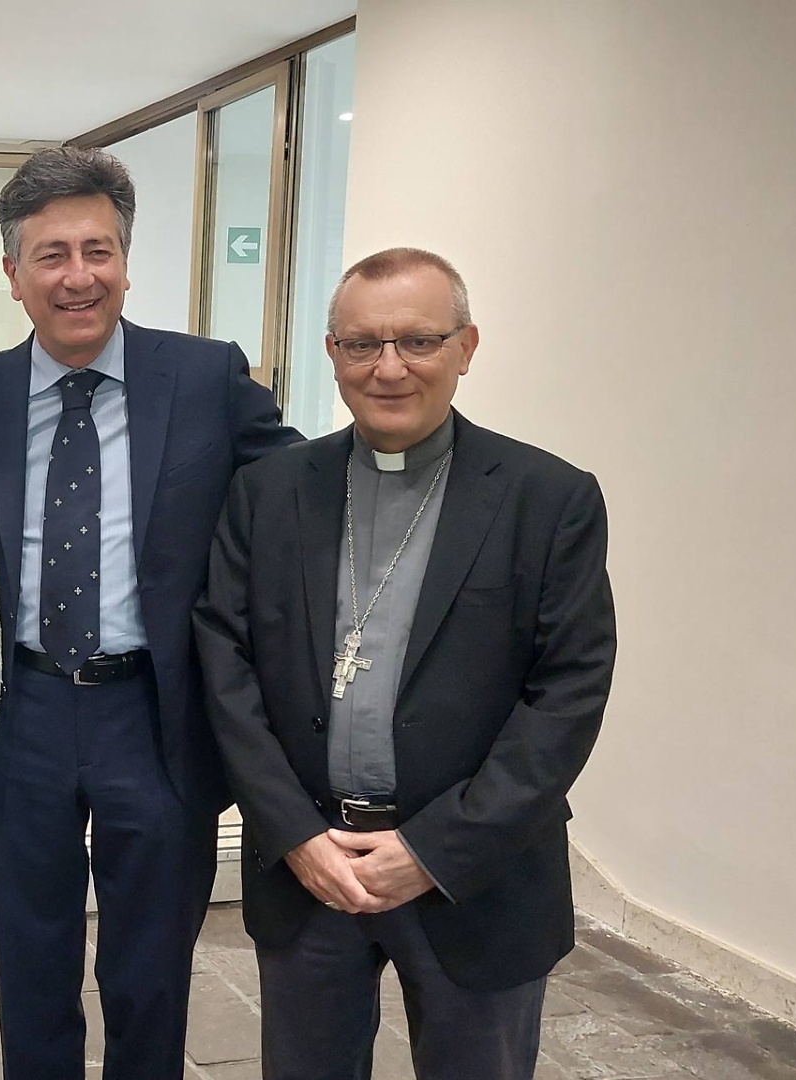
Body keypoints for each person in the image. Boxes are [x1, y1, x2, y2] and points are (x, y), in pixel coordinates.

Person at [0, 146, 300, 1079]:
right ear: (13, 274)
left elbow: (300, 498)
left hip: (157, 716)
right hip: (21, 712)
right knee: (30, 957)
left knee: (152, 964)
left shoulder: (206, 377)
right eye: (51, 255)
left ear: (126, 261)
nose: (77, 276)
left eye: (98, 251)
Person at [192, 247, 617, 1080]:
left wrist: (432, 850)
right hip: (311, 871)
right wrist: (294, 833)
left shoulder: (548, 499)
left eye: (419, 341)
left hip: (477, 878)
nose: (389, 368)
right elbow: (225, 665)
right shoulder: (269, 492)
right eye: (362, 344)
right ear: (333, 353)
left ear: (466, 347)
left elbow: (566, 695)